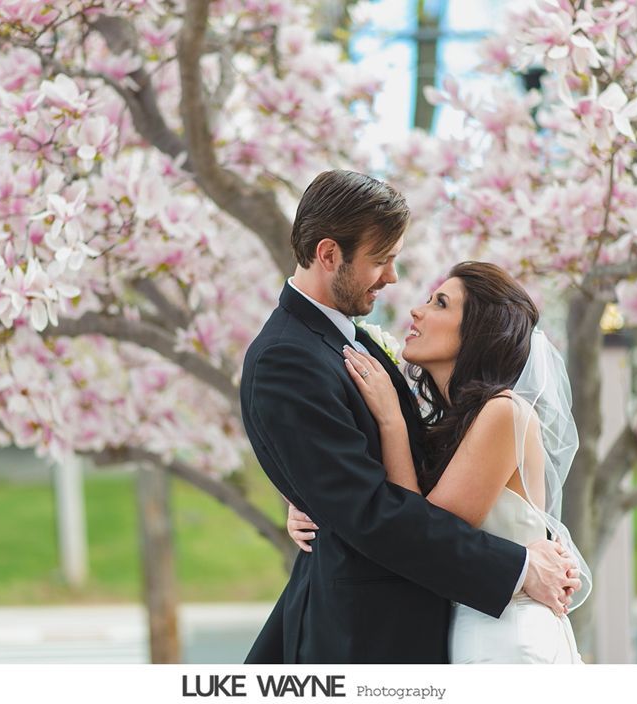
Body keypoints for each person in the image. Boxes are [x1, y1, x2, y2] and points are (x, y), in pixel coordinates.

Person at [241, 170, 580, 664]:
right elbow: (368, 513)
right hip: (365, 639)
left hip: (443, 630)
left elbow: (376, 492)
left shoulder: (351, 345)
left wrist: (324, 502)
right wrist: (518, 567)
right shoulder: (288, 358)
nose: (394, 280)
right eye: (381, 260)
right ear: (329, 254)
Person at [288, 260, 592, 663]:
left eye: (441, 304)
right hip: (476, 628)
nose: (417, 310)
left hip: (509, 639)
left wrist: (392, 421)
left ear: (477, 334)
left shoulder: (505, 413)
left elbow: (423, 532)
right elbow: (382, 500)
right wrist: (313, 503)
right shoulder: (450, 425)